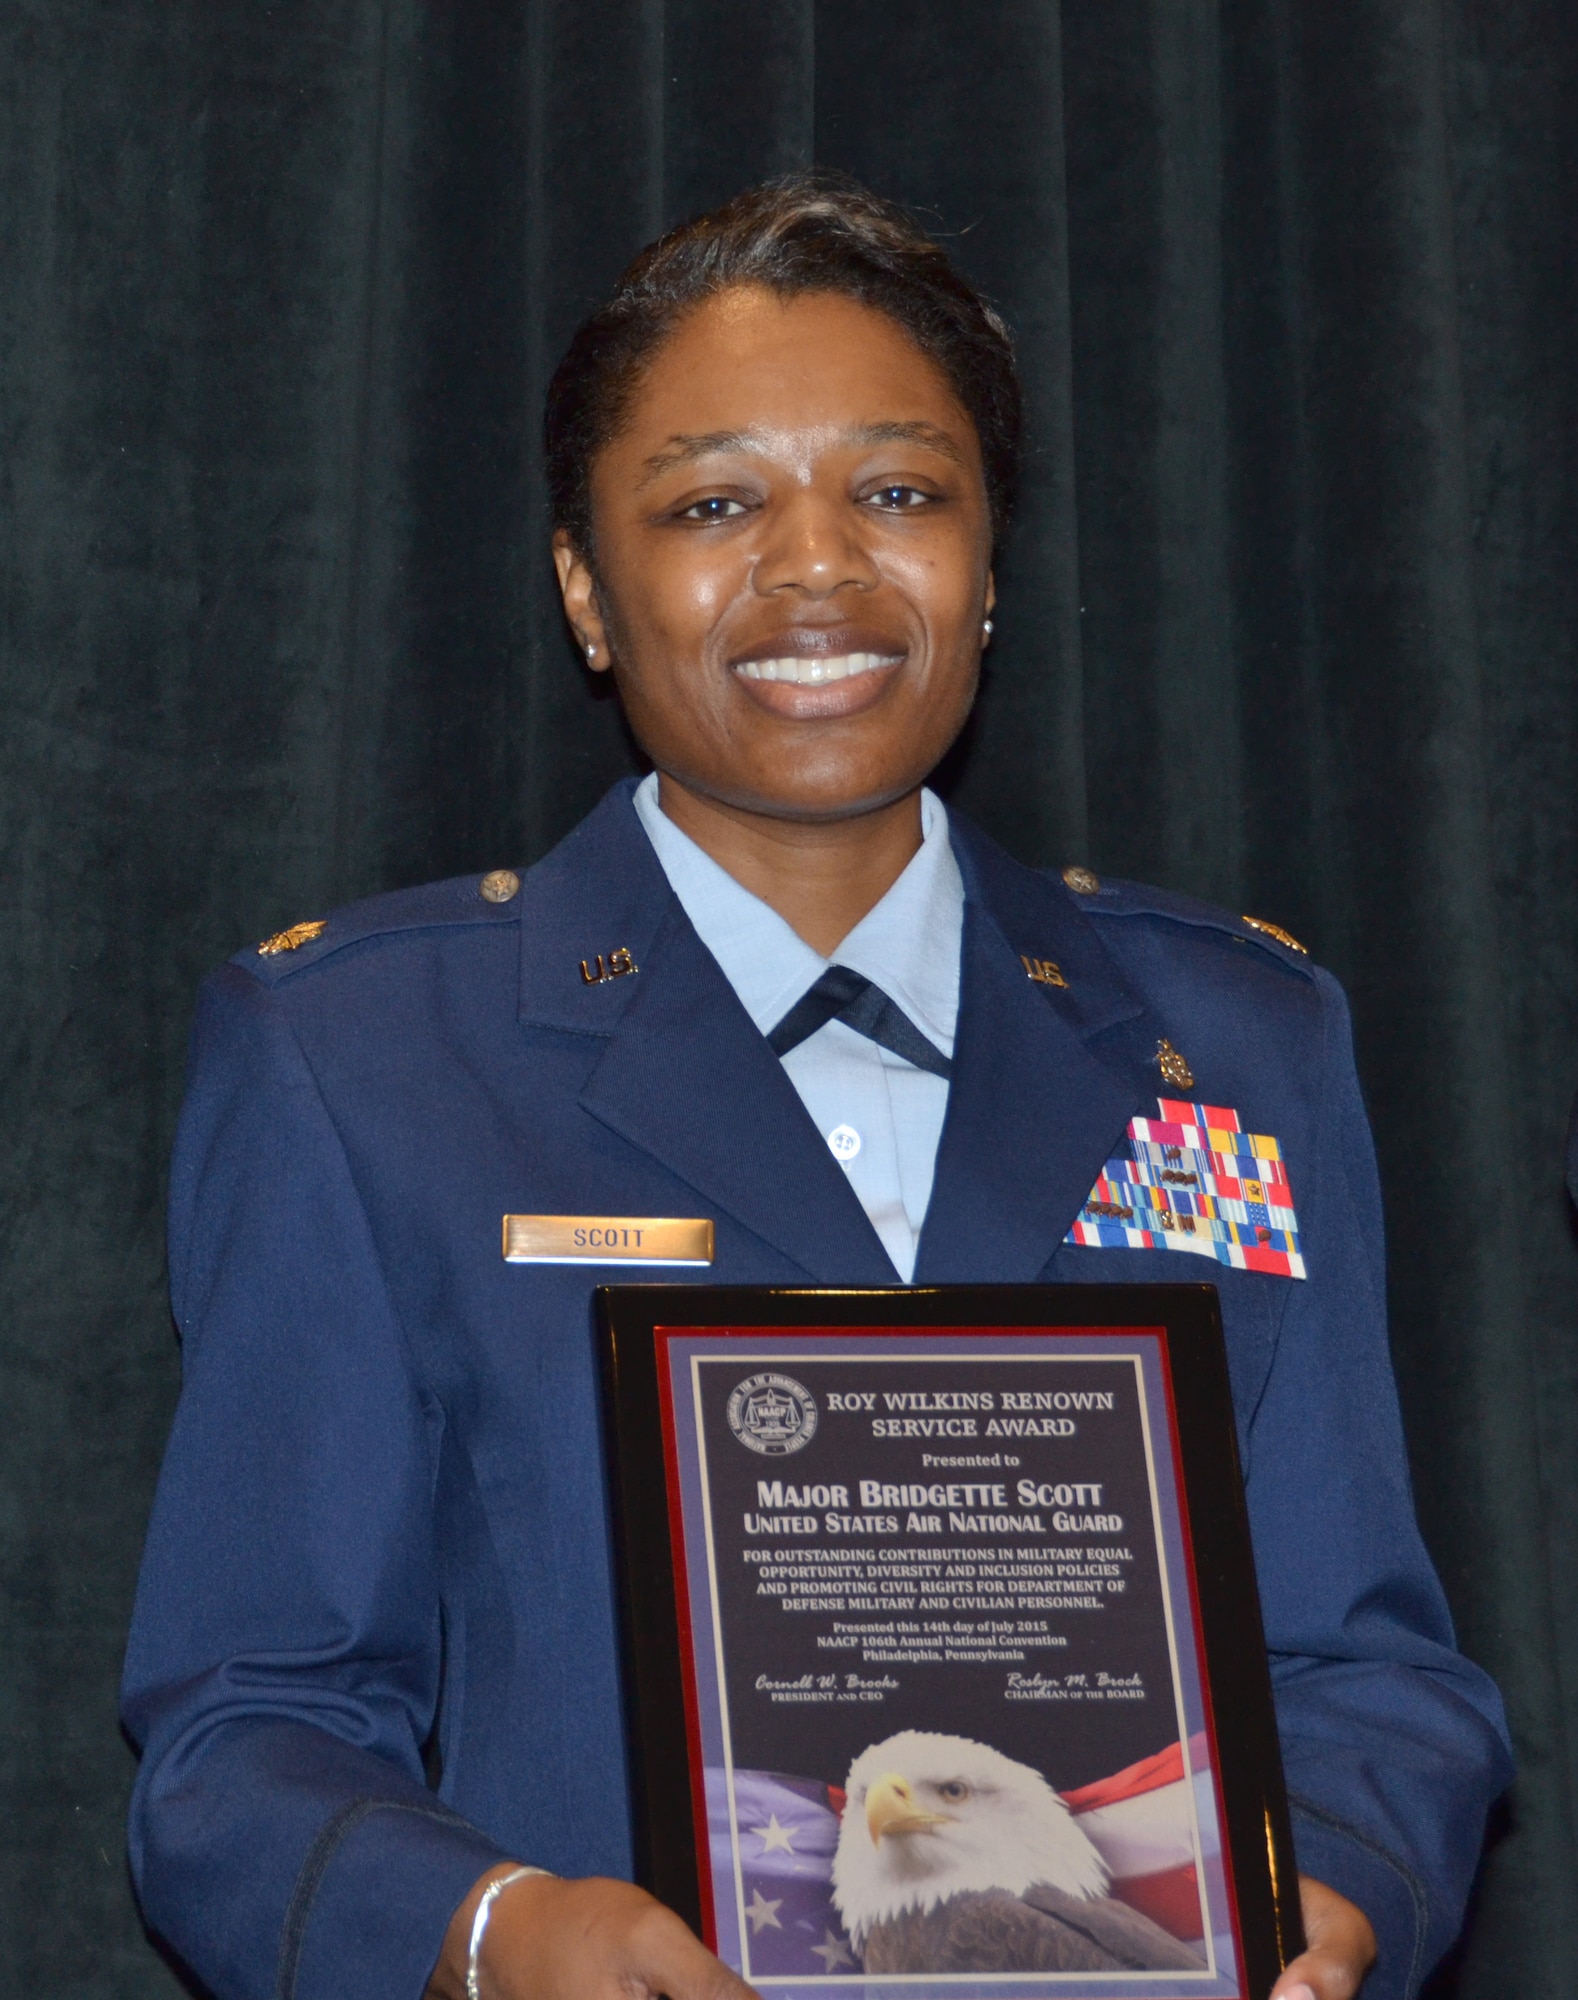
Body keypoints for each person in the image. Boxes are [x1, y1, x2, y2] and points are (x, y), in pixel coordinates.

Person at [121, 177, 1510, 2000]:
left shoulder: (1242, 1040)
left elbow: (1366, 1667)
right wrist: (494, 1937)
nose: (819, 568)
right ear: (583, 592)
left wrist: (1325, 1896)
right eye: (712, 505)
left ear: (989, 562)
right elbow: (246, 1731)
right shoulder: (361, 1062)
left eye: (900, 492)